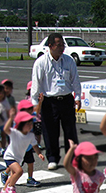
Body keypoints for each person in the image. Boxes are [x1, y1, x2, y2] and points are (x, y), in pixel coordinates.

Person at [31, 32, 81, 171]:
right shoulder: (41, 62)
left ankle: (71, 158)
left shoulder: (69, 60)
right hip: (49, 101)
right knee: (50, 132)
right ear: (50, 46)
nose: (61, 48)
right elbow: (36, 84)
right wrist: (35, 104)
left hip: (66, 99)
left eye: (62, 45)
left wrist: (77, 97)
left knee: (70, 131)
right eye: (58, 45)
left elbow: (75, 80)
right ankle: (52, 158)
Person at [0, 109, 45, 193]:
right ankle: (11, 188)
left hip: (18, 158)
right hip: (10, 156)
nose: (30, 126)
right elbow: (5, 129)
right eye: (27, 124)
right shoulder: (15, 133)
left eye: (30, 123)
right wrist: (11, 118)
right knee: (19, 171)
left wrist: (39, 153)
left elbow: (35, 145)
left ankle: (4, 190)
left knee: (13, 175)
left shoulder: (30, 135)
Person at [0, 83, 11, 155]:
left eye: (2, 93)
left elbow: (7, 112)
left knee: (3, 135)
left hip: (4, 122)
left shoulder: (5, 102)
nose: (1, 95)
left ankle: (2, 148)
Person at [26, 80, 43, 149]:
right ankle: (31, 143)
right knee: (31, 132)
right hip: (31, 118)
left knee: (38, 132)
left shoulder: (39, 98)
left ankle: (38, 143)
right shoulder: (28, 99)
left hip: (38, 118)